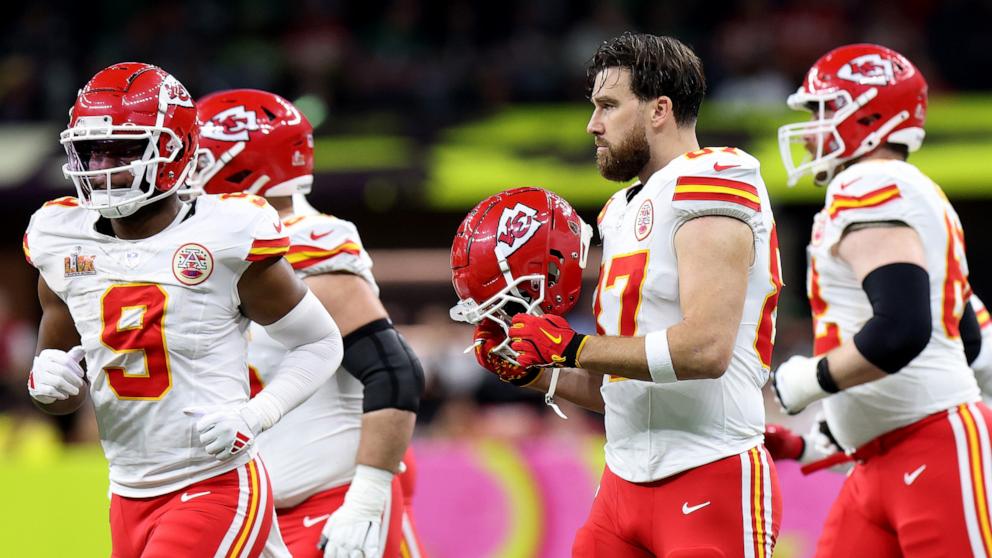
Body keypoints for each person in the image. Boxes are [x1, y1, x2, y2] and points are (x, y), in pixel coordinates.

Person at [469, 32, 783, 557]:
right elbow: (620, 385)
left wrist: (570, 346)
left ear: (660, 110)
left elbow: (704, 350)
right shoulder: (619, 210)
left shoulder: (713, 178)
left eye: (608, 105)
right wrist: (536, 370)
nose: (593, 124)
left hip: (710, 472)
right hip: (621, 482)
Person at [23, 63, 343, 558]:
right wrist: (47, 385)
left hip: (212, 483)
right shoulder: (59, 239)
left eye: (125, 148)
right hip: (126, 490)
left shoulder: (225, 234)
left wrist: (257, 414)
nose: (104, 164)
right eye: (93, 149)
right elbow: (63, 395)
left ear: (175, 149)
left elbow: (321, 341)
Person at [772, 44, 991, 557]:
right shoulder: (906, 190)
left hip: (929, 445)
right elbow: (966, 336)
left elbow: (901, 330)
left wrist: (806, 379)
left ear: (868, 114)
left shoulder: (871, 182)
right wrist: (809, 442)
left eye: (823, 110)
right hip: (882, 457)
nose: (809, 131)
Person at [189, 89, 426, 558]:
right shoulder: (208, 249)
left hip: (324, 498)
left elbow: (394, 372)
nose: (183, 171)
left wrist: (363, 503)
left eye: (198, 156)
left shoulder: (307, 243)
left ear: (238, 164)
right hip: (249, 511)